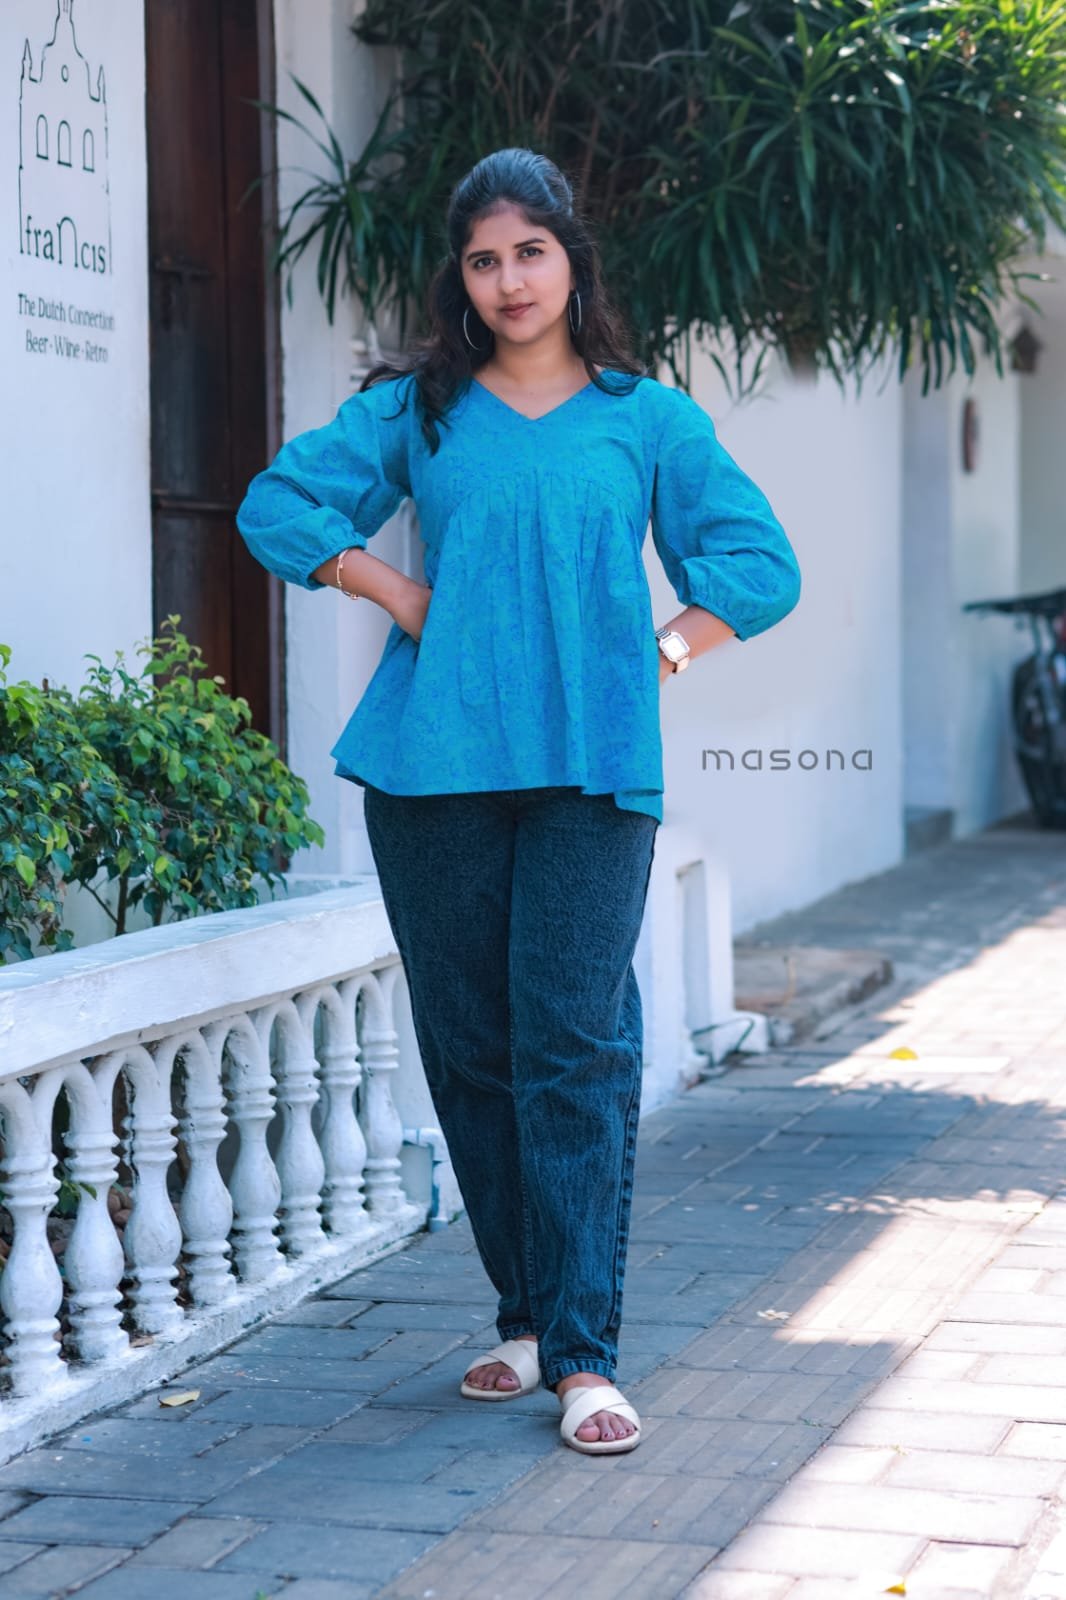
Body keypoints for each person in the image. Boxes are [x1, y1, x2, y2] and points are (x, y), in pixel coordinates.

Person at [236, 146, 801, 1457]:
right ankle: (527, 1316)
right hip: (431, 771)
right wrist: (392, 588)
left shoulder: (645, 419)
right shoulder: (417, 412)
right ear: (463, 277)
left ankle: (584, 1356)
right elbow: (279, 504)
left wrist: (665, 651)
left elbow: (755, 562)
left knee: (572, 1045)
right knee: (473, 1050)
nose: (508, 280)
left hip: (593, 773)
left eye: (529, 252)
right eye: (483, 259)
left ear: (571, 261)